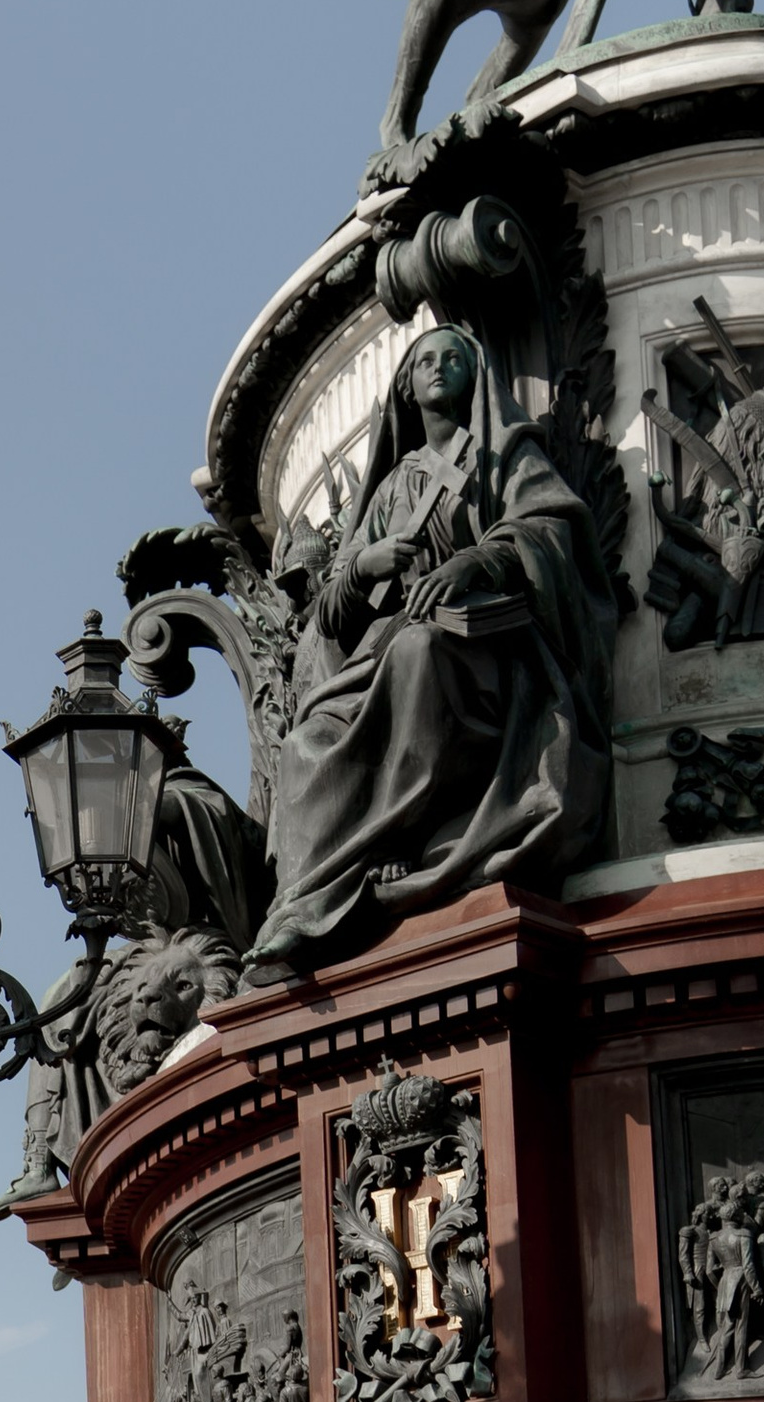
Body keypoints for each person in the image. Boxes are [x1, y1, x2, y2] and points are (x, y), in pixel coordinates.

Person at [250, 324, 616, 979]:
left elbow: (551, 527)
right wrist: (363, 563)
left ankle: (392, 839)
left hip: (489, 654)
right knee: (306, 743)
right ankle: (313, 899)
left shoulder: (503, 456)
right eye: (425, 360)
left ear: (474, 378)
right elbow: (331, 616)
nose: (439, 368)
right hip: (387, 656)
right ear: (407, 385)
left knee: (417, 652)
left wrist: (479, 559)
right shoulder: (394, 486)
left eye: (453, 359)